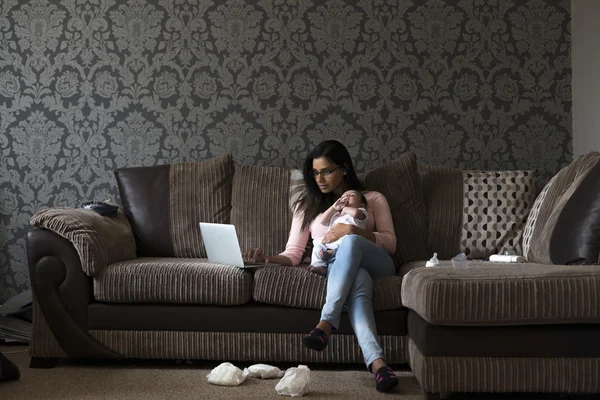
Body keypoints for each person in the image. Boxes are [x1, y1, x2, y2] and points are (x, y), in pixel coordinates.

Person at [243, 140, 399, 392]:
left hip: (377, 262)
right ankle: (379, 365)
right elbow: (293, 254)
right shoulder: (307, 206)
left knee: (350, 243)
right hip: (339, 268)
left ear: (345, 169)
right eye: (315, 172)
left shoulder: (372, 199)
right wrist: (266, 260)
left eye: (326, 171)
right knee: (358, 280)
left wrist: (351, 230)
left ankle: (326, 322)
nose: (319, 178)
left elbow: (390, 244)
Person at [308, 189, 369, 276]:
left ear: (361, 205)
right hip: (331, 243)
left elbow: (355, 213)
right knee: (318, 246)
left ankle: (331, 253)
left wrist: (345, 208)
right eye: (344, 195)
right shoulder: (336, 216)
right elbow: (323, 221)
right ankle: (320, 266)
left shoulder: (361, 212)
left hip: (348, 245)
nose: (346, 196)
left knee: (347, 240)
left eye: (352, 195)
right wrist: (333, 208)